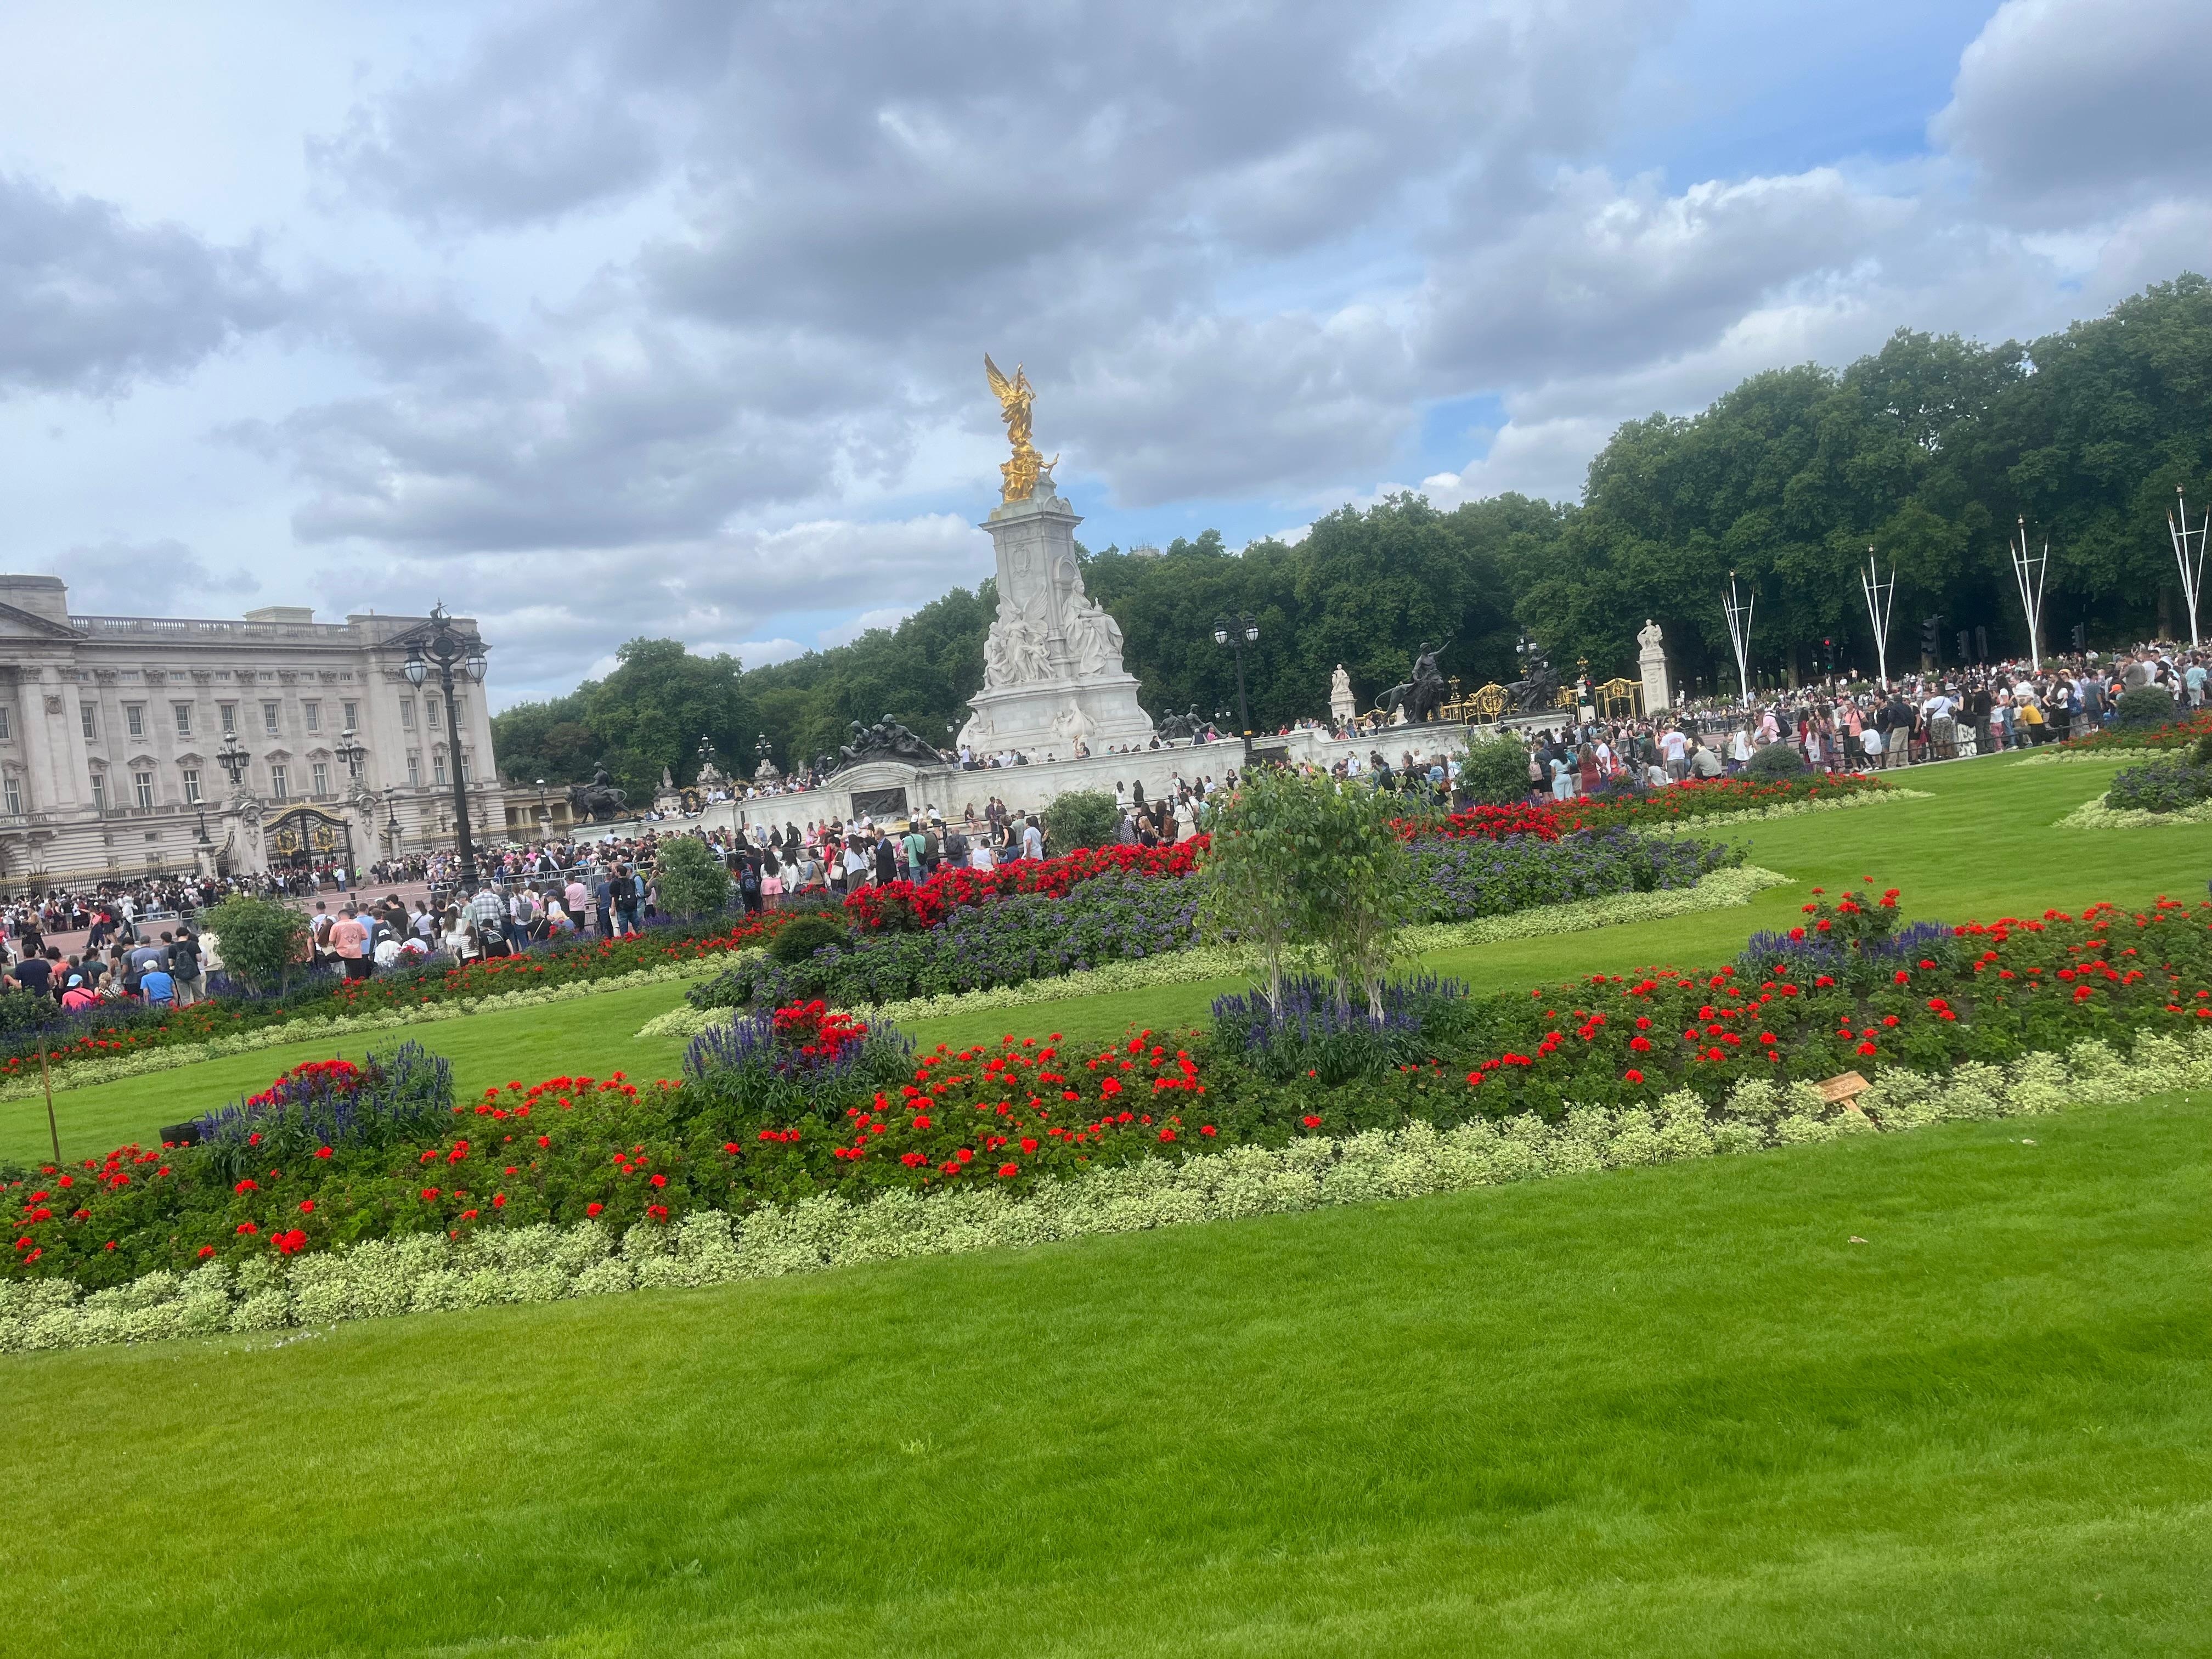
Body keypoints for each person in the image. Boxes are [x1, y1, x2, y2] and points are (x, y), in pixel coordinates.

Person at [330, 905, 372, 980]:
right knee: (355, 975)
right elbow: (365, 936)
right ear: (349, 916)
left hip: (342, 952)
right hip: (356, 952)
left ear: (339, 917)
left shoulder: (336, 926)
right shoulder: (357, 924)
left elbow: (332, 940)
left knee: (326, 960)